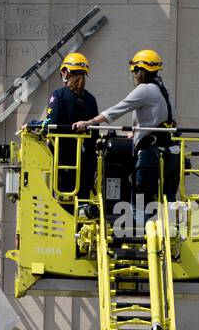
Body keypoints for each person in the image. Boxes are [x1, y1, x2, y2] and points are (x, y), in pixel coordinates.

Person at [75, 49, 177, 217]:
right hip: (171, 153)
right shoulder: (164, 91)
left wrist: (90, 122)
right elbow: (162, 120)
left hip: (150, 154)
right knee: (166, 201)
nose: (134, 76)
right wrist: (136, 133)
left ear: (141, 71)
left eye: (135, 71)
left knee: (140, 203)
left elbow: (119, 108)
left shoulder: (144, 89)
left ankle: (140, 237)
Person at [40, 53, 99, 196]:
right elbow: (95, 132)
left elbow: (51, 123)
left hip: (64, 160)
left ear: (66, 72)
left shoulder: (59, 95)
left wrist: (37, 125)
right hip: (87, 163)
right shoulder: (91, 99)